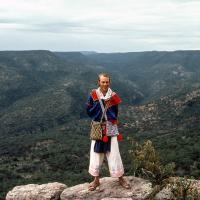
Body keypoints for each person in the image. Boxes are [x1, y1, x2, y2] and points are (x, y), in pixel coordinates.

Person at [86, 73, 131, 191]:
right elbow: (89, 111)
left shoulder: (114, 96)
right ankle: (96, 180)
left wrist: (110, 119)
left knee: (114, 153)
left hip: (110, 126)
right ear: (99, 82)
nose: (105, 84)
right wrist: (100, 107)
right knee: (96, 154)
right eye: (103, 82)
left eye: (107, 82)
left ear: (109, 82)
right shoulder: (93, 95)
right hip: (98, 127)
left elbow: (116, 112)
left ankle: (120, 178)